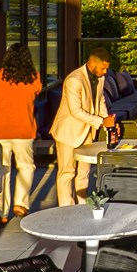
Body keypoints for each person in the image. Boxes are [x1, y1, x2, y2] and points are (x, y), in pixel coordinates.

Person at [0, 43, 42, 224]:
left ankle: (2, 213)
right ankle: (20, 203)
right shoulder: (33, 77)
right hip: (24, 130)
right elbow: (36, 92)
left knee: (1, 171)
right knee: (26, 167)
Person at [50, 47, 115, 205]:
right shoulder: (74, 79)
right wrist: (101, 122)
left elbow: (100, 101)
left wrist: (108, 121)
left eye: (107, 68)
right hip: (68, 132)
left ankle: (82, 206)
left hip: (87, 131)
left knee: (84, 173)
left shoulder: (100, 78)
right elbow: (75, 111)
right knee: (67, 173)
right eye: (103, 67)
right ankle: (66, 209)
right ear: (92, 62)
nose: (105, 71)